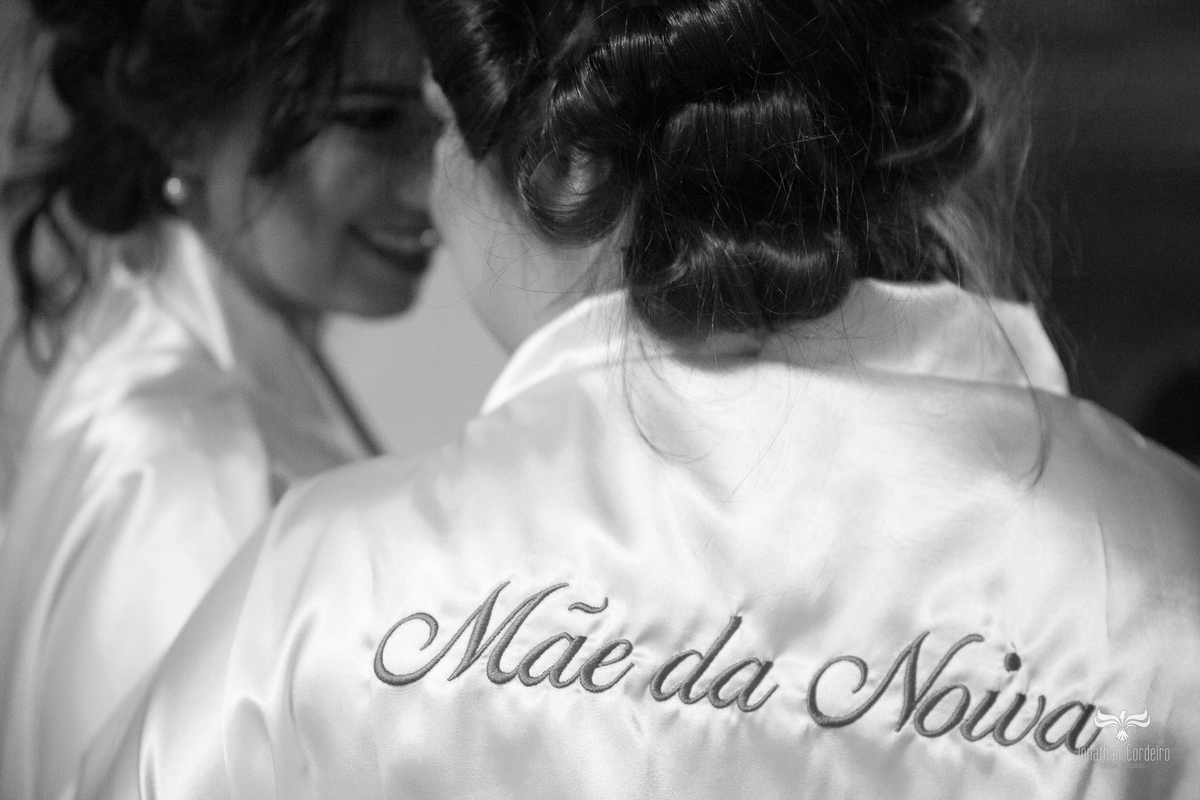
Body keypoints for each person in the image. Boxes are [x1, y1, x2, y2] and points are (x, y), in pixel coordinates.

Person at [74, 0, 1200, 797]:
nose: (426, 187)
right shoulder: (1156, 585)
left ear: (566, 161)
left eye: (435, 125)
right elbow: (1140, 731)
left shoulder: (330, 604)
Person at [0, 0, 439, 796]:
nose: (433, 183)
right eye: (374, 120)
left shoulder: (204, 382)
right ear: (186, 128)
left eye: (449, 121)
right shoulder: (190, 472)